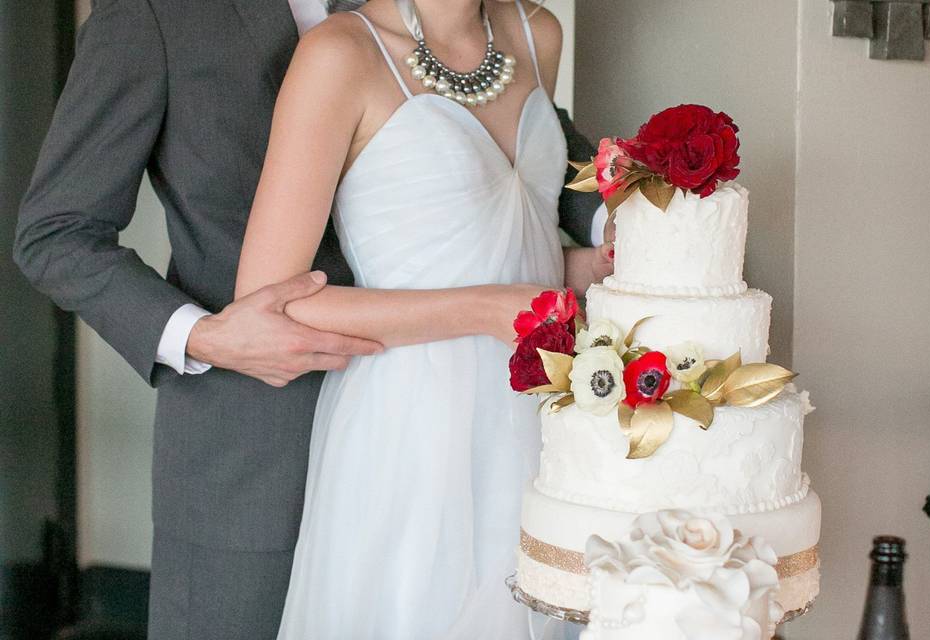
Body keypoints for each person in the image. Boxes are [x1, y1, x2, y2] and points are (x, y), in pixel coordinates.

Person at [13, 0, 607, 637]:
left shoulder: (458, 15)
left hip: (477, 419)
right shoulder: (155, 14)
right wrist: (204, 335)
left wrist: (618, 224)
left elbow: (523, 131)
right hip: (254, 440)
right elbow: (57, 233)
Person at [233, 1, 607, 636]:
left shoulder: (536, 31)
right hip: (412, 424)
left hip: (547, 414)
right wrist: (487, 310)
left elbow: (511, 238)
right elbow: (276, 305)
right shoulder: (340, 54)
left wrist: (589, 264)